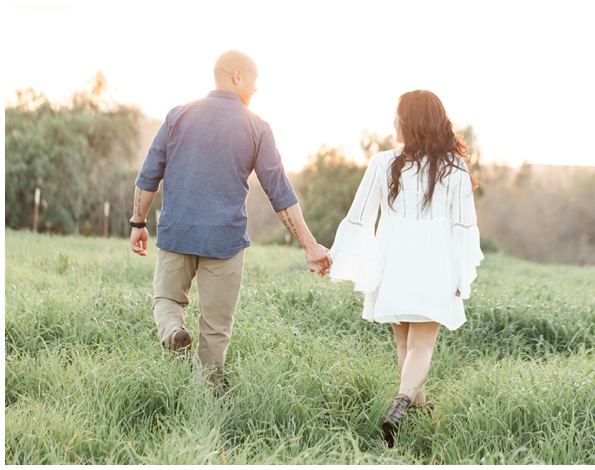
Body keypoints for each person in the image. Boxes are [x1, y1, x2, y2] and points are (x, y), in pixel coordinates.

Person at [130, 50, 329, 389]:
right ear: (237, 76)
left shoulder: (178, 116)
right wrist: (310, 245)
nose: (256, 88)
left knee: (166, 300)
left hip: (178, 232)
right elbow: (279, 192)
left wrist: (138, 223)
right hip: (225, 242)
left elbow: (148, 176)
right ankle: (208, 396)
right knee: (216, 328)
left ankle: (173, 332)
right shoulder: (257, 127)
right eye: (254, 79)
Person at [328, 90, 483, 447]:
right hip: (436, 261)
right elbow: (464, 226)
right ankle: (404, 403)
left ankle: (415, 405)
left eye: (398, 116)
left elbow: (359, 217)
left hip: (393, 258)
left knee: (404, 345)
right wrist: (462, 273)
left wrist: (338, 257)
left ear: (410, 122)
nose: (394, 122)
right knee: (422, 347)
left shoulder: (383, 163)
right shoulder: (454, 167)